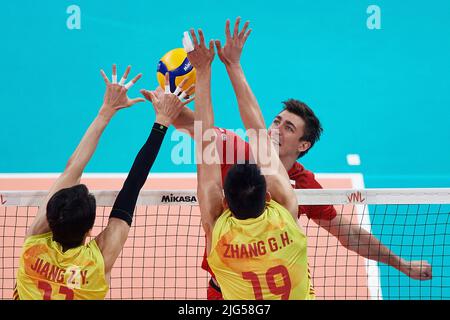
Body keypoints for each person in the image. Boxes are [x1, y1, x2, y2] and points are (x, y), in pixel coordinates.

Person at [142, 18, 433, 300]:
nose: (276, 128)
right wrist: (168, 97)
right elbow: (201, 125)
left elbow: (350, 234)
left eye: (288, 127)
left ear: (303, 145)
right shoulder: (270, 183)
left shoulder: (301, 185)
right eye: (277, 120)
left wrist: (401, 264)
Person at [14, 66, 190, 300]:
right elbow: (132, 187)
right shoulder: (97, 263)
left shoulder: (33, 247)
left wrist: (106, 112)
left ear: (51, 217)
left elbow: (73, 169)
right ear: (89, 231)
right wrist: (162, 120)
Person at [185, 27, 314, 300]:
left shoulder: (218, 235)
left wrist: (203, 72)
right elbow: (257, 131)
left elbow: (205, 140)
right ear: (268, 196)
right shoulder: (287, 216)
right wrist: (233, 64)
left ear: (225, 203)